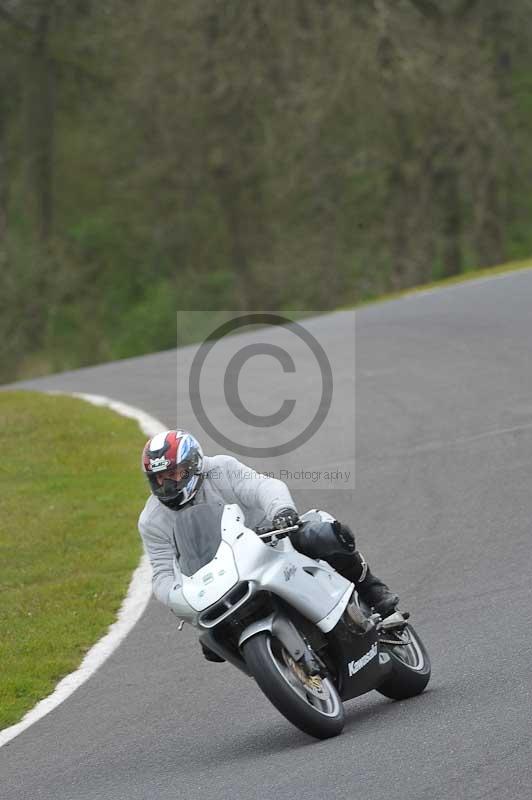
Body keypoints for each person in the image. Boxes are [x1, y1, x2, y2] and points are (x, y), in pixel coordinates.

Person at [138, 429, 399, 662]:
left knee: (323, 534)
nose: (166, 484)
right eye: (159, 478)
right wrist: (176, 596)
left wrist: (281, 511)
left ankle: (373, 591)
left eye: (172, 474)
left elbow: (262, 486)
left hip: (268, 540)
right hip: (219, 577)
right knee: (213, 643)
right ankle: (277, 663)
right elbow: (161, 572)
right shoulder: (151, 521)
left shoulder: (221, 469)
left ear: (193, 465)